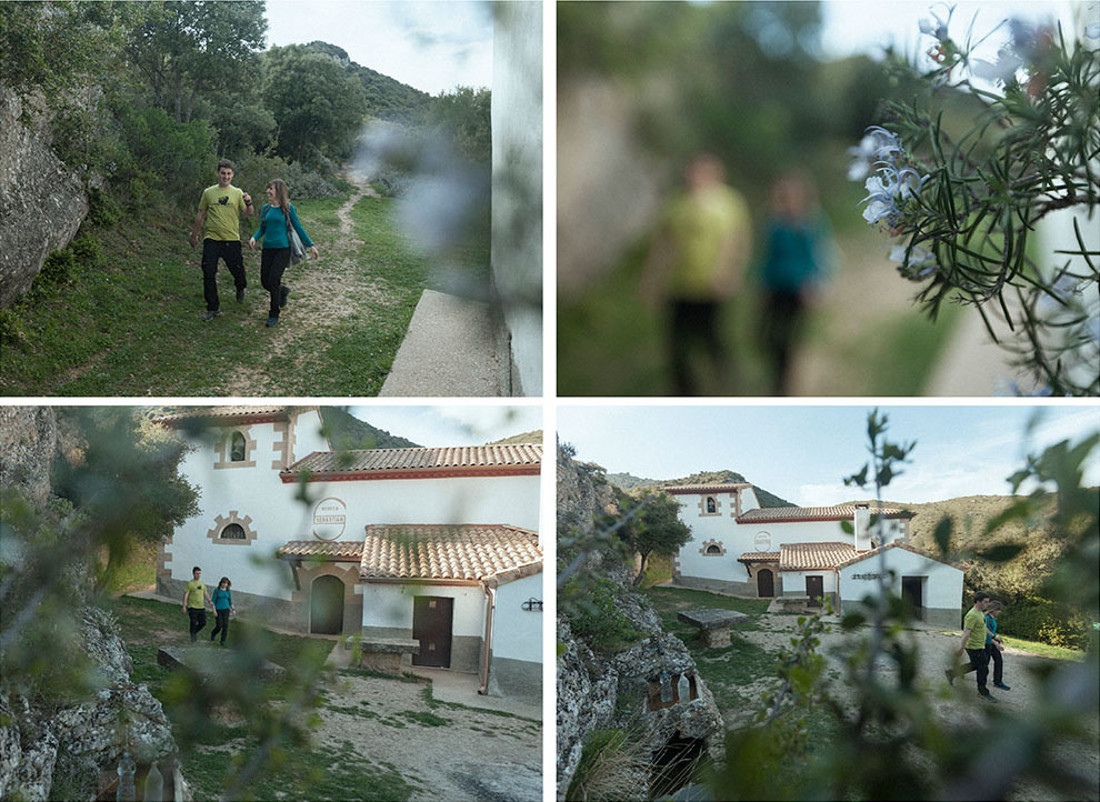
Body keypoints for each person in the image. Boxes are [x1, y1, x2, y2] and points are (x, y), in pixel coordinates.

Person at [643, 153, 752, 395]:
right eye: (692, 171)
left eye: (701, 172)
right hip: (679, 286)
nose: (694, 177)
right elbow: (664, 244)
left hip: (711, 287)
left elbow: (737, 240)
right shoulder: (676, 203)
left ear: (716, 174)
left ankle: (726, 380)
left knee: (713, 338)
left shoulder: (729, 202)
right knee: (675, 344)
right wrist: (652, 280)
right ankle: (683, 391)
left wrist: (729, 273)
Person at [758, 172, 834, 395]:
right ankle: (778, 374)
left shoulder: (811, 222)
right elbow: (767, 256)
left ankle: (783, 386)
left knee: (788, 338)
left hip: (799, 289)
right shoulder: (774, 223)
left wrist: (814, 286)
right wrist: (761, 284)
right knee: (765, 336)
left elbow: (818, 256)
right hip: (774, 286)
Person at [248, 178, 319, 327]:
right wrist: (254, 237)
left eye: (271, 189)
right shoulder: (265, 209)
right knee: (264, 282)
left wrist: (311, 245)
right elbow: (262, 227)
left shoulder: (288, 208)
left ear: (279, 191)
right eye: (268, 188)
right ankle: (283, 291)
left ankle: (274, 314)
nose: (268, 191)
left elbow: (298, 227)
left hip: (283, 249)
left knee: (273, 280)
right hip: (267, 249)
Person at [190, 159, 254, 321]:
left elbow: (249, 213)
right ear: (218, 174)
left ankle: (240, 287)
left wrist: (249, 202)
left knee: (238, 272)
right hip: (212, 238)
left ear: (232, 175)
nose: (225, 176)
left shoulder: (238, 193)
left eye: (229, 174)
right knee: (208, 271)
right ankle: (213, 307)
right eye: (223, 173)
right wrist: (194, 234)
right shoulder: (208, 192)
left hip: (232, 239)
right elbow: (201, 214)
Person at [946, 590, 997, 701]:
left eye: (988, 602)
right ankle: (982, 691)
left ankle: (951, 673)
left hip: (980, 645)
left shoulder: (980, 613)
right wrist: (961, 648)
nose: (987, 604)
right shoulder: (972, 615)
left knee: (976, 665)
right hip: (974, 646)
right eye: (985, 602)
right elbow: (966, 632)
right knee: (983, 667)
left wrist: (993, 637)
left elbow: (983, 627)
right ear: (978, 602)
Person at [181, 566, 212, 643]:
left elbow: (205, 592)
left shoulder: (202, 583)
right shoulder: (190, 583)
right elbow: (186, 594)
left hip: (201, 607)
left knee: (203, 622)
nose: (198, 575)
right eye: (197, 573)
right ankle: (193, 639)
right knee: (193, 622)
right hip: (192, 607)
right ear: (193, 574)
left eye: (199, 573)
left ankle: (194, 632)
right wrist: (184, 606)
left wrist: (209, 601)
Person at [985, 600, 1010, 691]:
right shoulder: (986, 619)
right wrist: (996, 643)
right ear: (994, 610)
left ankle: (998, 681)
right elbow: (986, 634)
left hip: (992, 643)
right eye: (999, 610)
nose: (1000, 612)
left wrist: (997, 640)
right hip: (986, 644)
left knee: (998, 660)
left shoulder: (992, 619)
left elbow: (992, 632)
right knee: (980, 664)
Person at [209, 576, 235, 647]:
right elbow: (213, 601)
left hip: (226, 610)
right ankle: (213, 633)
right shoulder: (217, 591)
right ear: (221, 583)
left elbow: (230, 601)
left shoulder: (228, 591)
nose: (224, 584)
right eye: (223, 583)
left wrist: (233, 609)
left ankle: (223, 640)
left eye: (226, 583)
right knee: (219, 625)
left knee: (225, 626)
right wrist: (214, 610)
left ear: (228, 584)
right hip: (218, 610)